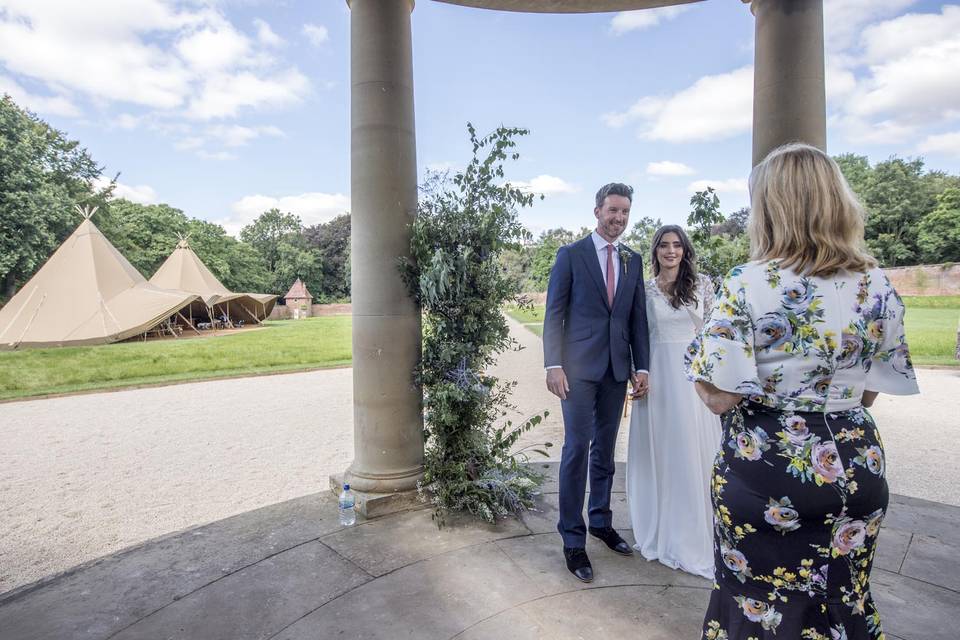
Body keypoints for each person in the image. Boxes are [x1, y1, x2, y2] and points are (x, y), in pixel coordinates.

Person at [685, 143, 919, 639]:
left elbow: (720, 396)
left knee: (760, 605)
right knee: (843, 599)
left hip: (768, 471)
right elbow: (871, 392)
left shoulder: (748, 282)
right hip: (857, 464)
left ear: (770, 208)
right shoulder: (877, 285)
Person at [543, 182, 651, 583]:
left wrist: (643, 368)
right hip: (576, 371)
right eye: (612, 211)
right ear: (597, 211)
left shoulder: (632, 259)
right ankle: (573, 540)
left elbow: (636, 318)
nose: (618, 219)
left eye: (624, 212)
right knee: (577, 448)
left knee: (606, 449)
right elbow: (554, 312)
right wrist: (553, 364)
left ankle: (601, 522)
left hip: (616, 371)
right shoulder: (571, 255)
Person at [627, 225, 721, 580]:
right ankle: (658, 525)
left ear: (685, 250)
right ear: (655, 251)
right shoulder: (644, 288)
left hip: (689, 379)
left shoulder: (703, 286)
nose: (670, 251)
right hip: (655, 379)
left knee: (689, 450)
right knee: (659, 451)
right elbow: (636, 334)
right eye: (664, 245)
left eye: (677, 245)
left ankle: (692, 531)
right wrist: (636, 371)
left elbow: (716, 334)